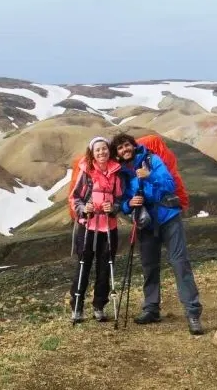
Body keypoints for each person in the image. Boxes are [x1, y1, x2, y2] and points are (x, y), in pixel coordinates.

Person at [111, 133, 205, 335]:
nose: (124, 149)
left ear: (133, 145)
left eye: (126, 145)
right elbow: (124, 201)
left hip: (168, 217)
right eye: (119, 148)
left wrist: (149, 175)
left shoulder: (151, 160)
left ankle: (192, 313)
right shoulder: (123, 173)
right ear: (117, 153)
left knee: (180, 263)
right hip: (146, 223)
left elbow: (169, 184)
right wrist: (129, 204)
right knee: (149, 267)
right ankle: (151, 309)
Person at [67, 136, 124, 322]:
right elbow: (75, 198)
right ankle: (77, 307)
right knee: (83, 266)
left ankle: (99, 306)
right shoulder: (86, 171)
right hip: (88, 226)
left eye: (105, 149)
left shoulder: (116, 172)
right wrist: (84, 209)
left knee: (105, 268)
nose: (102, 152)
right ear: (92, 152)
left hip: (108, 227)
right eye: (98, 149)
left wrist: (113, 208)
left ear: (109, 151)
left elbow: (121, 200)